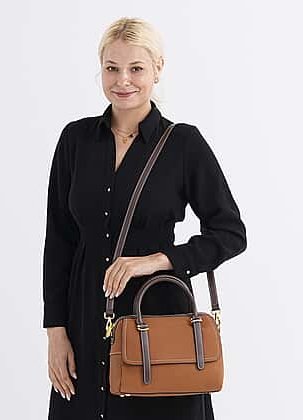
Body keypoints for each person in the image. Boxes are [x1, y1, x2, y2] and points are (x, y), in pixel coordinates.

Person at [42, 17, 247, 420]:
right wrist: (55, 331)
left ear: (157, 68)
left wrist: (156, 260)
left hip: (158, 324)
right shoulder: (75, 141)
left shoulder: (183, 144)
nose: (123, 80)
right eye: (112, 68)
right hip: (85, 324)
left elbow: (230, 233)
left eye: (136, 68)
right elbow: (59, 239)